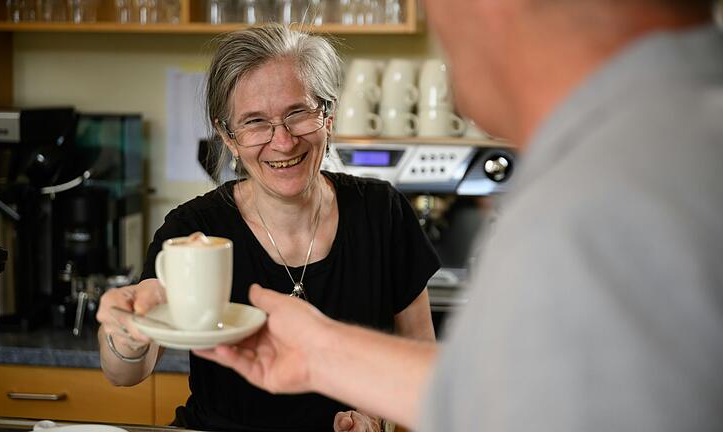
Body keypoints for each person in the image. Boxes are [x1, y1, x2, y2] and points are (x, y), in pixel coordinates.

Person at [196, 1, 723, 431]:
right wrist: (321, 354)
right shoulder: (682, 136)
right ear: (229, 135)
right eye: (256, 124)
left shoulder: (586, 211)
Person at [95, 25, 439, 432]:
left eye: (298, 113)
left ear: (327, 115)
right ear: (229, 136)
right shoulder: (193, 230)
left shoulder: (382, 213)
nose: (282, 141)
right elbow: (126, 374)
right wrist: (126, 333)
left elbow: (425, 368)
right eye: (255, 122)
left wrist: (378, 416)